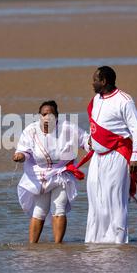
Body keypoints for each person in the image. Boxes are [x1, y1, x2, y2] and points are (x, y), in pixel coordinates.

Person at [83, 66, 137, 244]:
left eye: (95, 80)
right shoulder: (96, 99)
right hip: (97, 158)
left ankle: (118, 243)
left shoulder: (124, 100)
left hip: (118, 156)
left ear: (104, 81)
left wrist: (136, 156)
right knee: (95, 199)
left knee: (114, 200)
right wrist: (91, 140)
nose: (92, 83)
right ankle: (94, 242)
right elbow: (96, 125)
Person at [13, 100, 89, 243]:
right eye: (44, 114)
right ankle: (32, 247)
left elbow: (86, 141)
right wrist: (20, 156)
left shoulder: (68, 128)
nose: (47, 118)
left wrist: (96, 146)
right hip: (39, 176)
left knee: (58, 208)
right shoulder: (31, 130)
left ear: (57, 117)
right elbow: (24, 151)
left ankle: (58, 246)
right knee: (39, 211)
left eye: (51, 115)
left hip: (61, 174)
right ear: (39, 116)